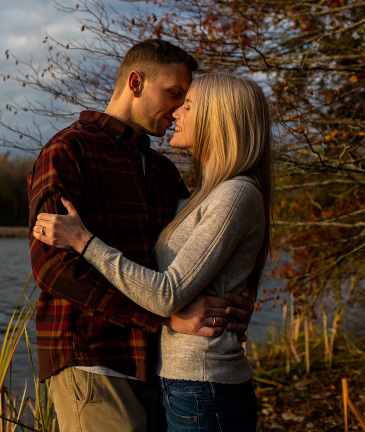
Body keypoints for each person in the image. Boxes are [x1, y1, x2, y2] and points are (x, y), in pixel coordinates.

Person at [28, 40, 254, 432]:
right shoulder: (69, 150)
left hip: (159, 366)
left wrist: (236, 301)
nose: (180, 108)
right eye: (174, 93)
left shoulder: (164, 172)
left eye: (186, 99)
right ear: (135, 82)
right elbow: (53, 269)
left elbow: (203, 252)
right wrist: (164, 318)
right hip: (95, 358)